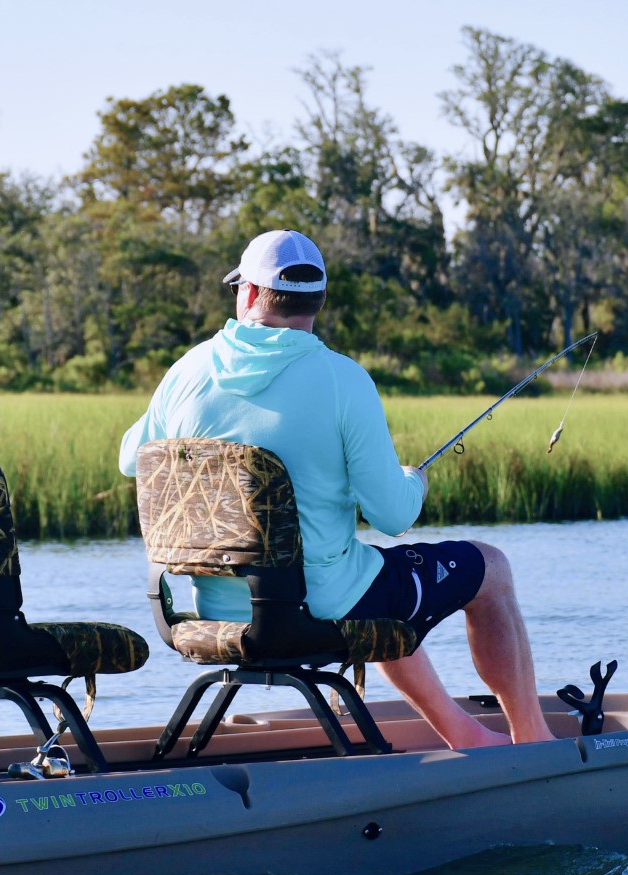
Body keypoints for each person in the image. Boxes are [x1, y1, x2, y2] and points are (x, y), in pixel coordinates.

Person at [118, 229, 553, 748]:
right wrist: (414, 481)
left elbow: (132, 460)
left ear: (250, 294)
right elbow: (393, 516)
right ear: (317, 300)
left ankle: (466, 734)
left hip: (200, 608)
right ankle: (533, 741)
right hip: (315, 605)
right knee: (490, 568)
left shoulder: (185, 371)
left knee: (377, 577)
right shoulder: (343, 380)